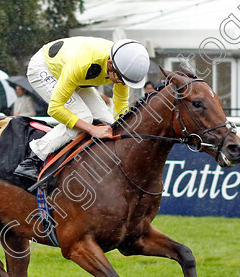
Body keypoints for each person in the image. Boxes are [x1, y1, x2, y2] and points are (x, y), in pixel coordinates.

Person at [13, 37, 150, 180]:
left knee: (108, 122)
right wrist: (91, 129)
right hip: (45, 68)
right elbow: (55, 109)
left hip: (72, 73)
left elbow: (121, 105)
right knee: (84, 118)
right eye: (120, 79)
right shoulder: (83, 63)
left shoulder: (121, 66)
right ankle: (32, 159)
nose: (121, 83)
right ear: (110, 64)